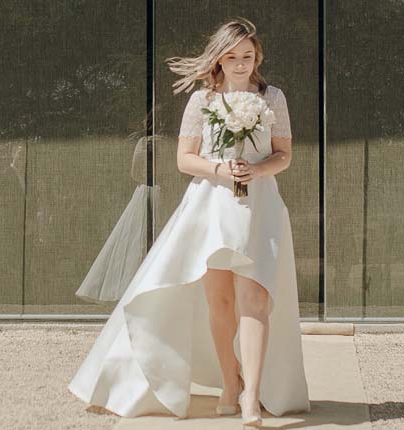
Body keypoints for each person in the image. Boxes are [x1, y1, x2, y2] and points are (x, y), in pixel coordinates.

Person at [67, 17, 310, 427]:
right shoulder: (202, 100)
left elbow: (283, 154)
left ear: (258, 57)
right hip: (211, 206)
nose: (240, 64)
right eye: (232, 57)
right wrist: (222, 170)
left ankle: (252, 395)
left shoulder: (273, 98)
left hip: (260, 207)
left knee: (255, 300)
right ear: (218, 59)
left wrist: (258, 170)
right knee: (220, 301)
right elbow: (185, 160)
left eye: (247, 56)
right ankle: (229, 383)